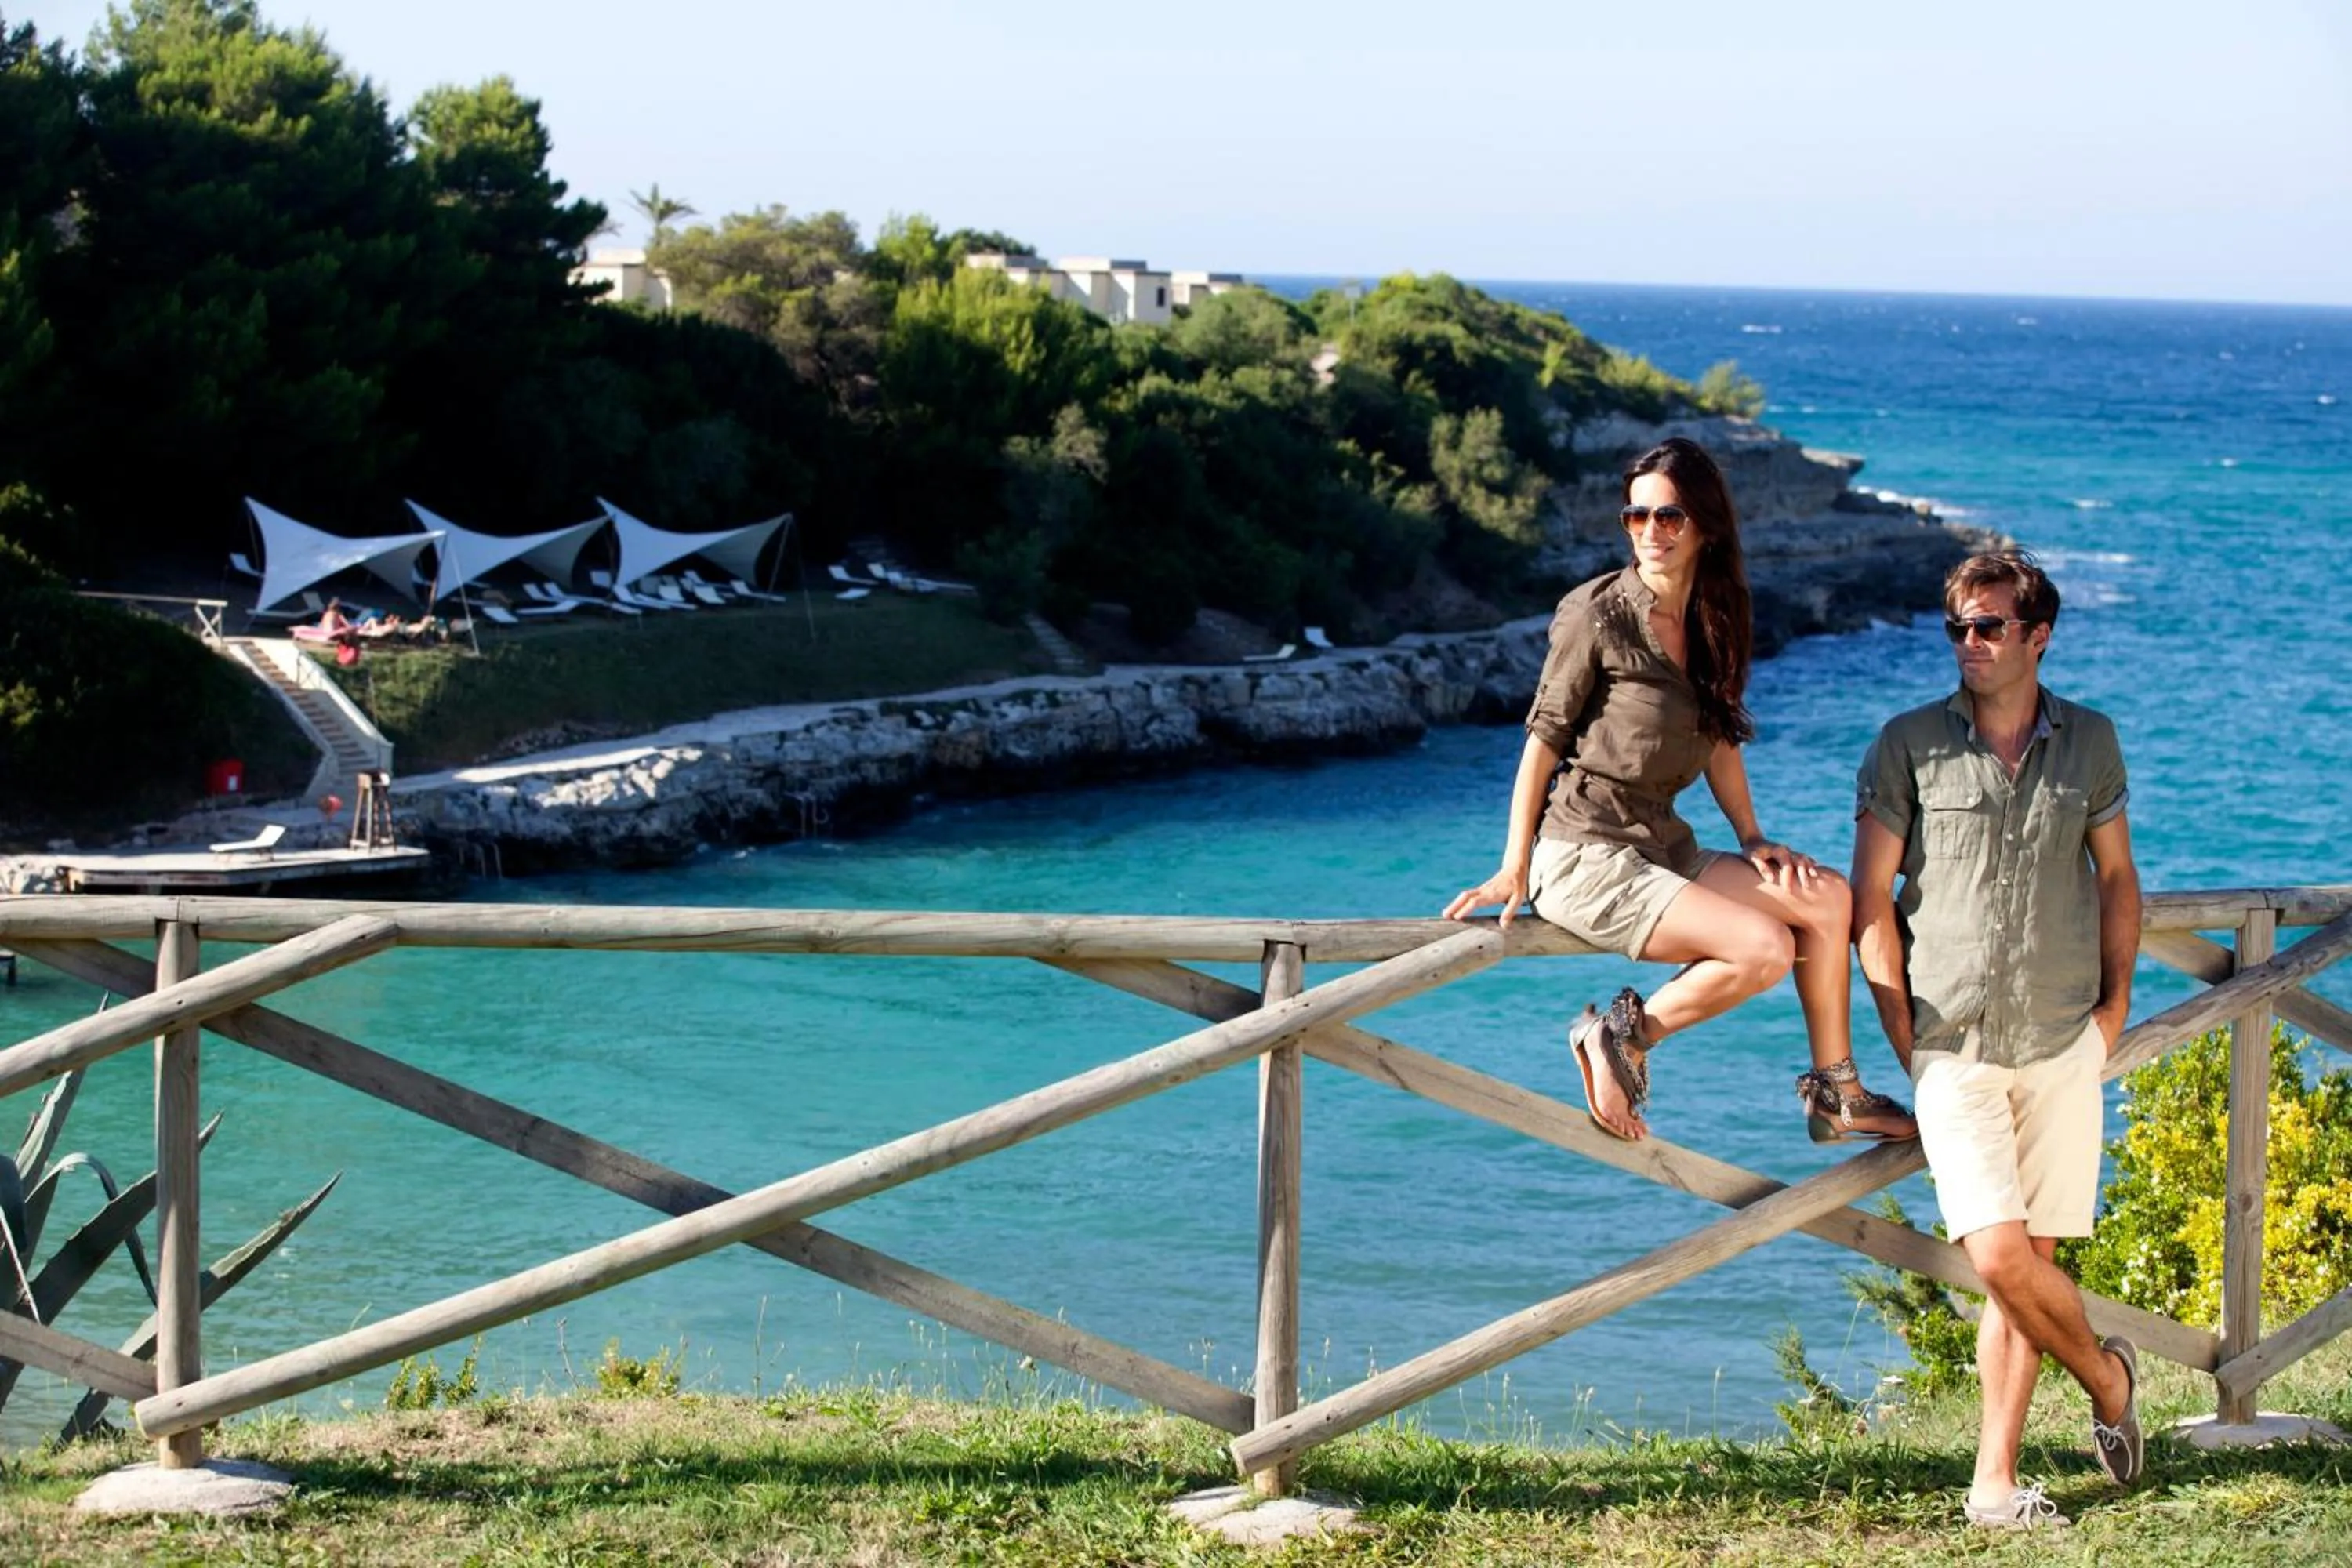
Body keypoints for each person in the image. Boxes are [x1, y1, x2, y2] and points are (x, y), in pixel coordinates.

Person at [1445, 436, 1916, 1145]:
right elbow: (1541, 740)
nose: (1651, 532)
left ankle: (1836, 1094)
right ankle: (1618, 1037)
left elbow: (1720, 736)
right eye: (1636, 517)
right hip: (1586, 855)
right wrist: (1515, 863)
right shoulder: (1596, 614)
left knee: (1825, 898)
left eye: (1669, 517)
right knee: (1760, 950)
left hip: (1662, 845)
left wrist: (1753, 837)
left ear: (1705, 525)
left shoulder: (1717, 615)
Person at [1850, 549, 2143, 1528]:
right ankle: (2109, 1381)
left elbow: (2115, 878)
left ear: (2038, 634)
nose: (1970, 644)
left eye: (1990, 626)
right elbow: (1871, 901)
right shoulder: (1908, 744)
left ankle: (1993, 1482)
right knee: (2001, 1255)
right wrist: (1901, 1032)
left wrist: (2112, 1013)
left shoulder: (2092, 741)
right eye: (1959, 628)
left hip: (2064, 1040)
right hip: (1953, 1043)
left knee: (2031, 1267)